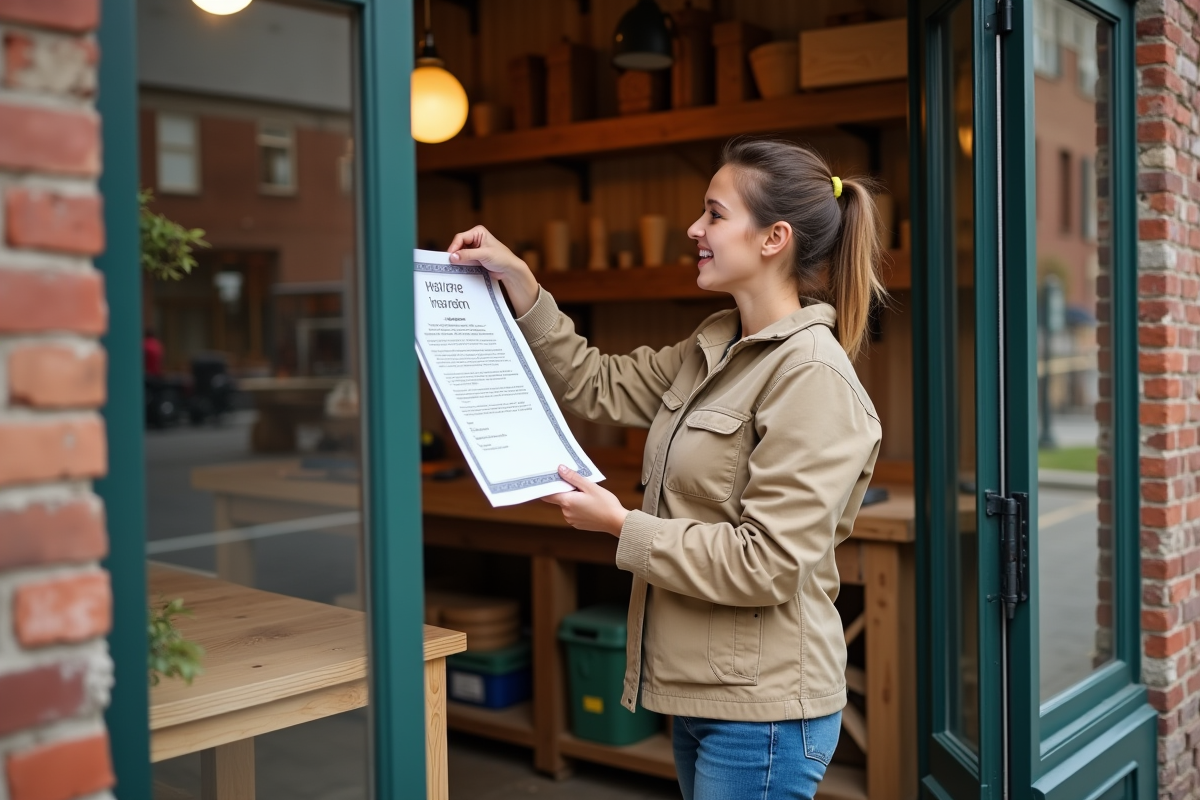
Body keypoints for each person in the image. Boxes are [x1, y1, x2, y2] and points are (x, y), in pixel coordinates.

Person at [448, 137, 885, 800]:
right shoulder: (712, 346)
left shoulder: (813, 378)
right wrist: (523, 286)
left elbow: (765, 561)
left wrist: (620, 525)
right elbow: (595, 381)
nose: (694, 229)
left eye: (713, 214)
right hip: (702, 694)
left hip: (764, 713)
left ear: (774, 239)